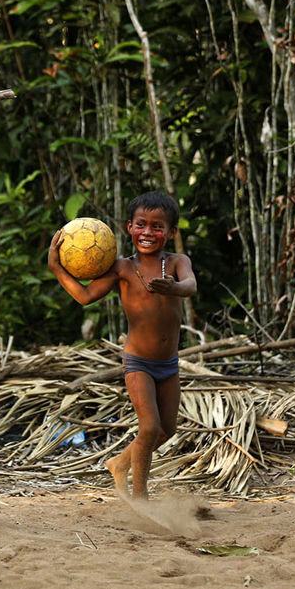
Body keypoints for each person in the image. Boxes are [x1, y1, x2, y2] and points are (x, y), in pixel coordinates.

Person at [48, 192, 196, 499]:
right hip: (138, 362)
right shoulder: (122, 268)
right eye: (141, 224)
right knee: (150, 428)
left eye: (157, 227)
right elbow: (85, 296)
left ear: (171, 232)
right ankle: (141, 499)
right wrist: (56, 268)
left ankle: (119, 463)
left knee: (168, 429)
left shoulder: (179, 263)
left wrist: (175, 288)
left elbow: (191, 285)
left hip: (168, 364)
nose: (148, 232)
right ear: (129, 227)